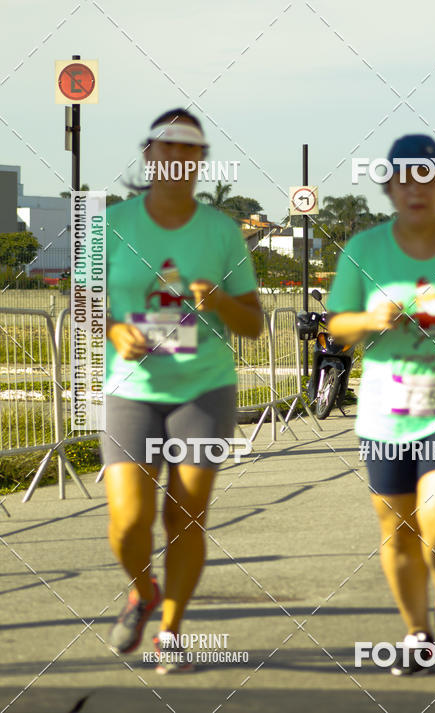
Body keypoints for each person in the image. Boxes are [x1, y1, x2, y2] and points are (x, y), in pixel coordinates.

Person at [102, 108, 262, 673]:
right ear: (149, 155)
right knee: (128, 521)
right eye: (165, 146)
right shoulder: (111, 223)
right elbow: (86, 303)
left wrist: (219, 301)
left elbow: (253, 324)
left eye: (188, 148)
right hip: (132, 388)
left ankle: (170, 633)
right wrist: (115, 329)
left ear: (200, 160)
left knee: (186, 516)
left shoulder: (221, 231)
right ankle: (142, 589)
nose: (175, 157)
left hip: (204, 389)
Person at [327, 134, 435, 675]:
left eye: (427, 178)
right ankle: (418, 633)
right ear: (389, 188)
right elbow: (337, 327)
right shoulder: (363, 250)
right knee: (397, 528)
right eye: (404, 180)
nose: (416, 189)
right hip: (385, 413)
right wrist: (371, 319)